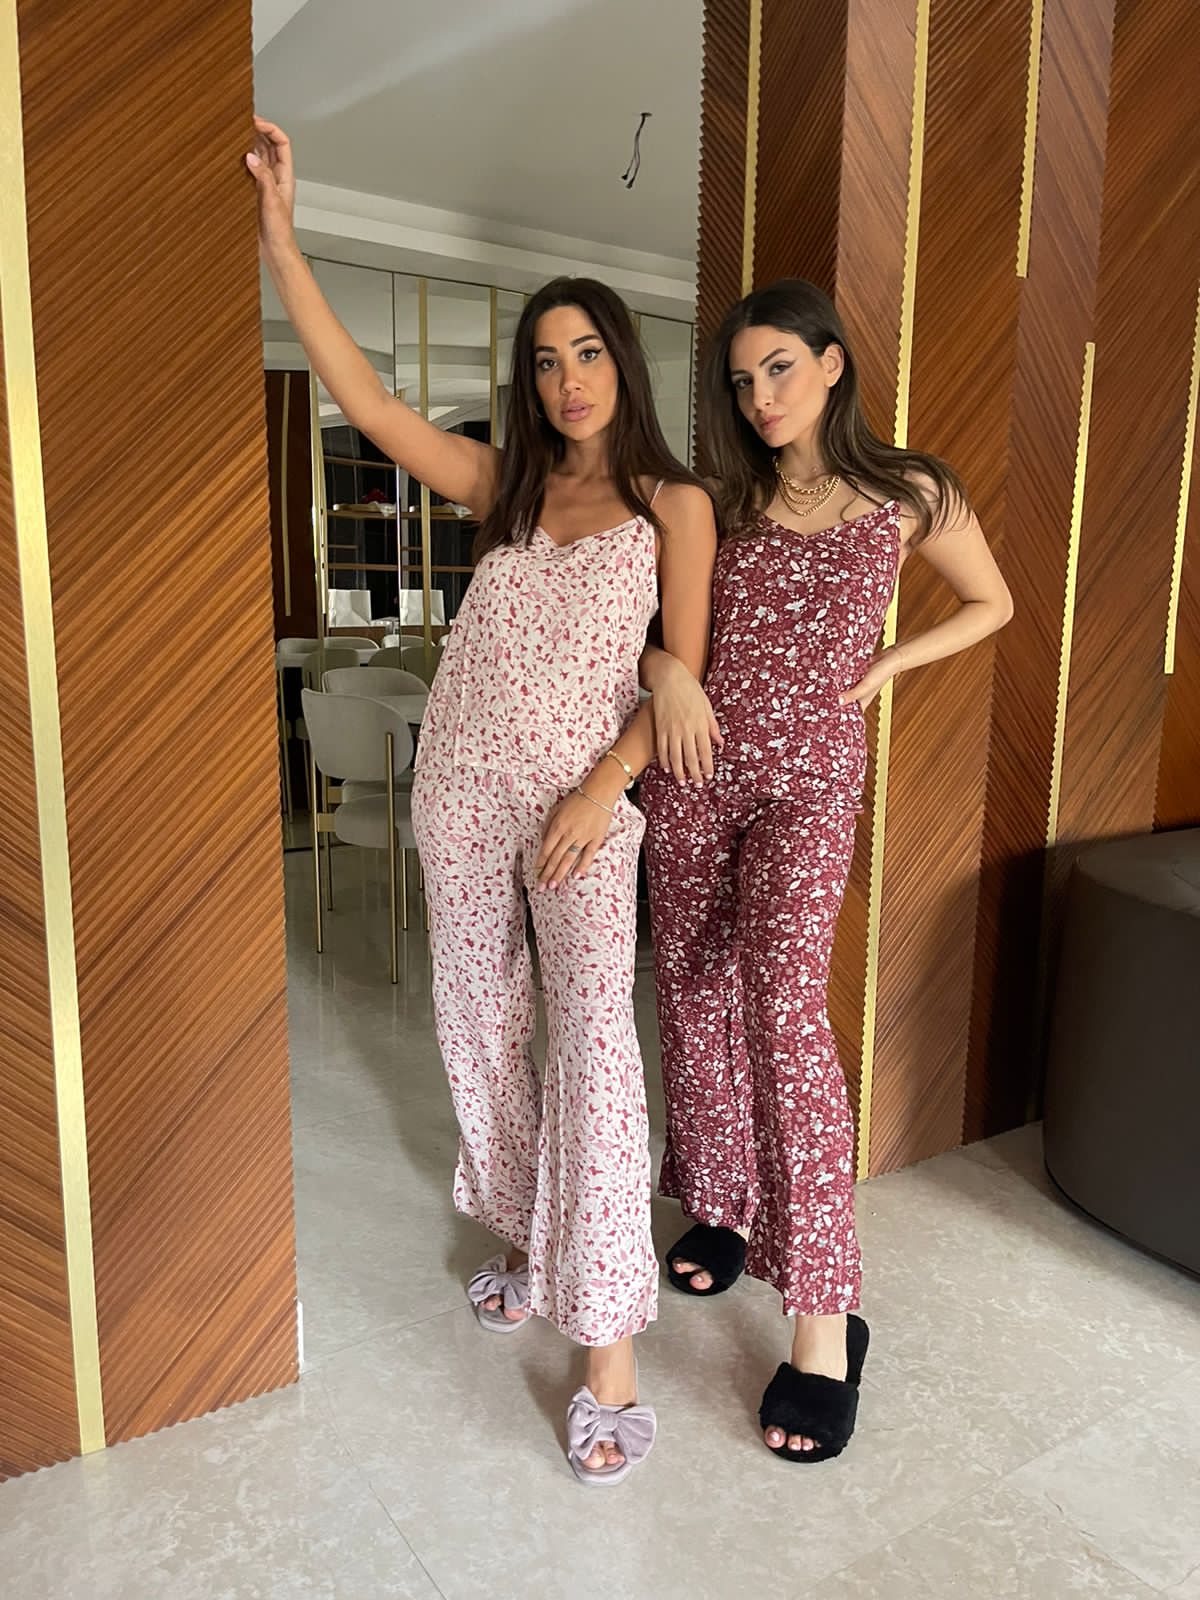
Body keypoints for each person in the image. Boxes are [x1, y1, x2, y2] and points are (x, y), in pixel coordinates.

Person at [247, 118, 716, 1485]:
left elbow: (678, 680)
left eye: (587, 354)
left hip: (582, 806)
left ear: (622, 364)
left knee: (596, 1050)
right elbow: (374, 406)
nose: (568, 381)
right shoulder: (506, 489)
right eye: (545, 360)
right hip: (456, 783)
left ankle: (609, 1342)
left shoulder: (672, 503)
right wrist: (284, 226)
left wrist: (606, 785)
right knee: (479, 1025)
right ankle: (526, 1229)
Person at [638, 278, 1013, 1464]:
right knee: (693, 987)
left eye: (779, 370)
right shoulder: (715, 501)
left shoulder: (911, 490)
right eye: (741, 382)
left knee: (786, 1003)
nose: (759, 398)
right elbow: (650, 634)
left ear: (832, 365)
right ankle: (723, 1204)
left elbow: (993, 601)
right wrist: (663, 673)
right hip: (697, 772)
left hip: (811, 779)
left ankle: (822, 1321)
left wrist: (891, 662)